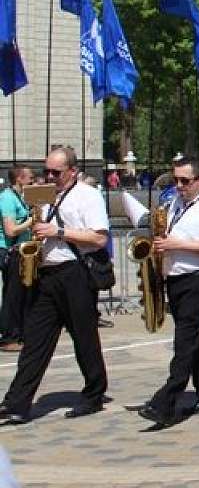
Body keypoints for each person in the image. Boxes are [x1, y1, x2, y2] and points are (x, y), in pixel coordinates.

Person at [0, 147, 110, 423]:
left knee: (83, 336)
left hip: (76, 273)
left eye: (55, 172)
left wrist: (58, 232)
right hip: (47, 274)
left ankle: (94, 393)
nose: (49, 176)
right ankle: (16, 402)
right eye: (45, 171)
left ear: (72, 171)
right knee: (35, 339)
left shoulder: (88, 196)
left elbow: (98, 239)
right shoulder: (46, 195)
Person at [138, 157, 199, 428]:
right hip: (176, 279)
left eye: (185, 181)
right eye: (175, 180)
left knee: (184, 343)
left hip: (198, 280)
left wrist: (179, 243)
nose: (179, 186)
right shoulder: (176, 203)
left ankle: (165, 402)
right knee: (194, 340)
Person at [0, 167, 34, 350]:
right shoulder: (7, 198)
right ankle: (8, 337)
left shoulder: (20, 197)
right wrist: (32, 220)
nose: (33, 181)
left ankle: (21, 332)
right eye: (30, 178)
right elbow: (10, 230)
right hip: (10, 251)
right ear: (19, 179)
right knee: (13, 294)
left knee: (23, 293)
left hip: (22, 250)